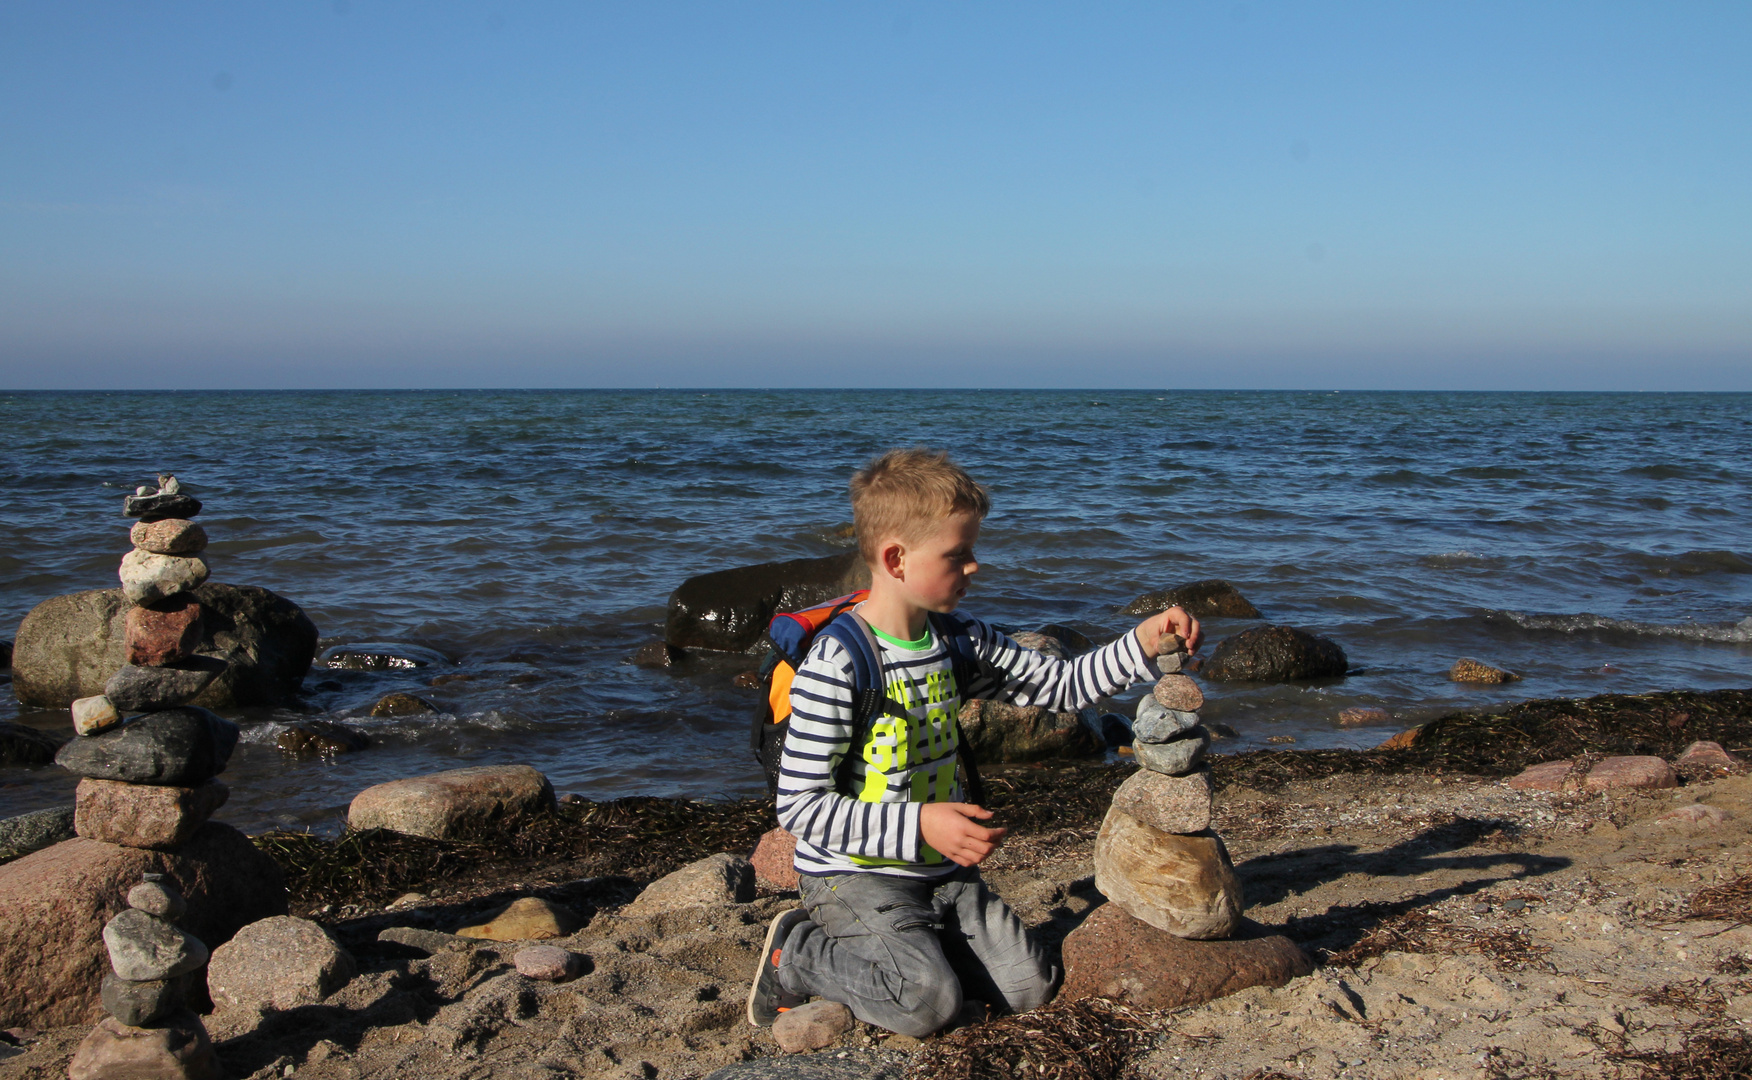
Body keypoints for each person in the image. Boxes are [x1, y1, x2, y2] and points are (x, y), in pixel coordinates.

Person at [745, 448, 1201, 1038]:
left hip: (939, 875)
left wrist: (1139, 642)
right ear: (896, 558)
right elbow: (799, 807)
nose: (974, 567)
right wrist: (922, 825)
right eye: (957, 555)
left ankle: (917, 952)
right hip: (853, 874)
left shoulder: (960, 639)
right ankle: (797, 950)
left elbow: (1060, 686)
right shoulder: (839, 663)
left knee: (1029, 987)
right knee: (926, 1006)